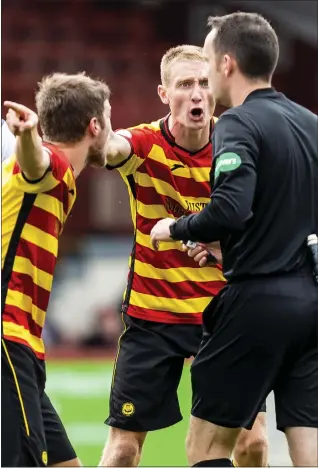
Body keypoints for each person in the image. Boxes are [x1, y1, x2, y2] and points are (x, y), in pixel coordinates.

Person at [150, 12, 318, 468]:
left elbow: (230, 209)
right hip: (311, 303)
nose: (204, 75)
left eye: (206, 59)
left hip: (257, 302)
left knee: (206, 448)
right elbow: (272, 215)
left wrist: (175, 228)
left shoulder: (237, 124)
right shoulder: (311, 123)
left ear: (226, 63)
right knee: (308, 447)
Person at [101, 45, 268, 467]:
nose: (196, 94)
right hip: (153, 316)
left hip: (223, 314)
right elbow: (113, 149)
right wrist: (100, 135)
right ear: (163, 93)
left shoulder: (240, 144)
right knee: (123, 450)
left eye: (203, 83)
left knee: (253, 445)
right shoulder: (144, 143)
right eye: (184, 85)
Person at [2, 72, 111, 467]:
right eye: (109, 119)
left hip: (23, 345)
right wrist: (28, 136)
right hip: (7, 339)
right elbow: (37, 164)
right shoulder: (55, 164)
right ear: (94, 126)